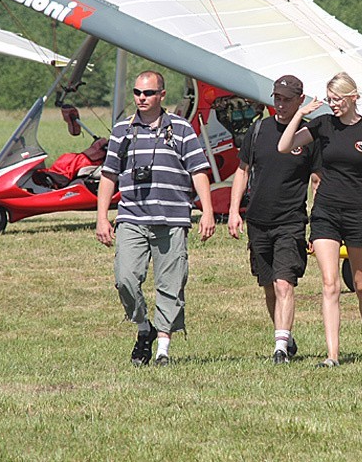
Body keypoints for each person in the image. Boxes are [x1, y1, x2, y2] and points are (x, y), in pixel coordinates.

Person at [96, 70, 215, 367]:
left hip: (173, 218)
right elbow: (109, 175)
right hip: (132, 216)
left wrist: (208, 212)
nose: (141, 98)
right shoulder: (122, 130)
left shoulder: (181, 128)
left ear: (162, 95)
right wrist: (102, 217)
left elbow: (198, 170)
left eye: (148, 93)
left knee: (171, 283)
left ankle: (162, 349)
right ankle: (142, 329)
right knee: (125, 278)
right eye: (137, 92)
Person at [278, 72, 362, 367]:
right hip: (325, 211)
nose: (332, 105)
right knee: (330, 284)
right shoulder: (323, 125)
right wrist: (300, 113)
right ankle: (332, 355)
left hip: (357, 212)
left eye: (337, 99)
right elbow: (284, 146)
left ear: (352, 98)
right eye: (329, 100)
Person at [228, 75, 321, 364]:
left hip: (291, 220)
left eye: (286, 99)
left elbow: (317, 181)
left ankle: (280, 348)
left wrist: (316, 225)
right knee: (268, 284)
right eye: (277, 98)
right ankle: (285, 336)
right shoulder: (258, 130)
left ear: (300, 101)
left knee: (284, 284)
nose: (280, 104)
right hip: (258, 219)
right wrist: (234, 211)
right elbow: (242, 171)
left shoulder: (308, 136)